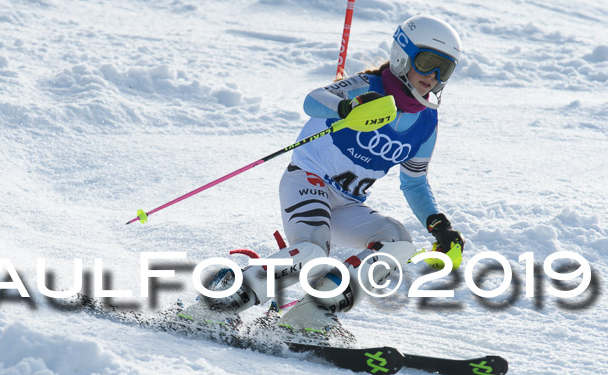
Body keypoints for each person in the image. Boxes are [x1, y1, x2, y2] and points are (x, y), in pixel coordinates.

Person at [192, 15, 466, 338]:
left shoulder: (426, 122)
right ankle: (220, 301)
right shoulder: (368, 86)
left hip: (347, 204)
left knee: (398, 243)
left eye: (443, 69)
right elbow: (313, 100)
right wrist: (347, 108)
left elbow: (415, 181)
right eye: (427, 63)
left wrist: (438, 225)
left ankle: (313, 313)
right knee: (311, 253)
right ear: (402, 56)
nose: (433, 76)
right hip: (308, 181)